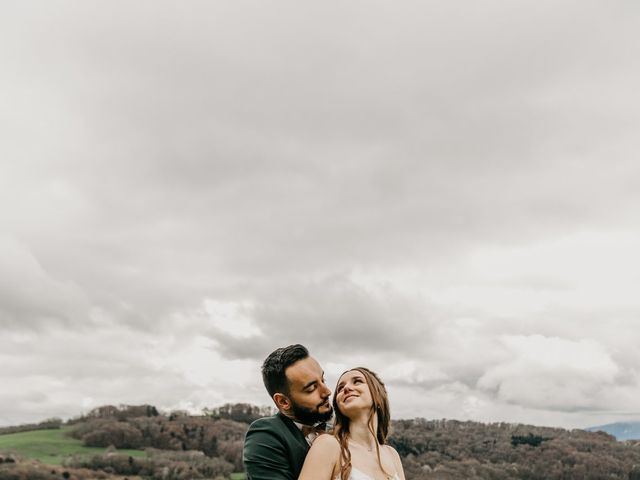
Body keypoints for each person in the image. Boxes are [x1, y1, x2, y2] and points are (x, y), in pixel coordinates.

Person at [243, 344, 333, 480]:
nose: (327, 392)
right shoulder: (266, 434)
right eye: (312, 388)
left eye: (323, 380)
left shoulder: (342, 428)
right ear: (283, 402)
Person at [298, 367, 405, 480]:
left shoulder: (392, 455)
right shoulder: (329, 445)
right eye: (340, 388)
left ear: (378, 395)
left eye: (357, 381)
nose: (347, 388)